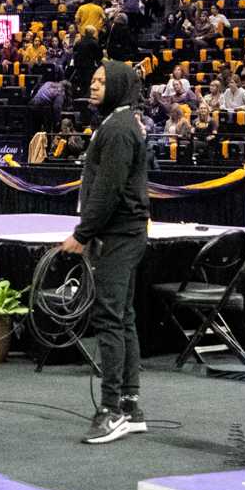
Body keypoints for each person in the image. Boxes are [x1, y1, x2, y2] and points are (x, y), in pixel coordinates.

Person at [61, 60, 152, 446]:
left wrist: (82, 233)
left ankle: (113, 408)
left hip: (119, 235)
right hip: (124, 233)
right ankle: (129, 406)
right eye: (93, 79)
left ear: (116, 84)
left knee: (110, 319)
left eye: (101, 80)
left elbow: (108, 189)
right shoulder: (119, 123)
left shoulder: (117, 129)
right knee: (124, 316)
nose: (94, 85)